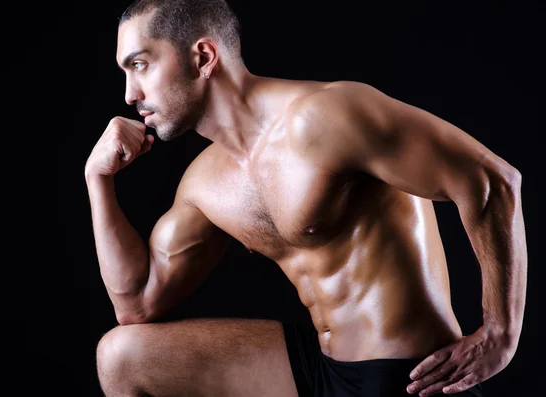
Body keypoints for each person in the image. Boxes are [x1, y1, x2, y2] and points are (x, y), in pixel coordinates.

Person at [84, 1, 527, 396]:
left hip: (412, 378)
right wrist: (97, 180)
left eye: (139, 65)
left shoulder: (324, 116)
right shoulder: (204, 183)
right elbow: (137, 303)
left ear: (202, 56)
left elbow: (491, 180)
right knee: (122, 357)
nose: (129, 94)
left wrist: (500, 333)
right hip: (324, 374)